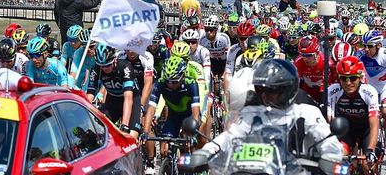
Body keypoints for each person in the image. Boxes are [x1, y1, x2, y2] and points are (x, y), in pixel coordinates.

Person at [192, 59, 342, 168]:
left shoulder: (306, 112)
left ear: (286, 89)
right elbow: (229, 137)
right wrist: (205, 152)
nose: (265, 96)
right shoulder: (253, 114)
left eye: (271, 91)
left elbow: (327, 140)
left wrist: (331, 158)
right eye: (261, 91)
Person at [143, 56, 200, 174]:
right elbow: (151, 108)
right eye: (168, 80)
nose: (170, 85)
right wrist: (145, 132)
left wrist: (192, 134)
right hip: (173, 117)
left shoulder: (191, 84)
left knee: (187, 142)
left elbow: (195, 114)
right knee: (164, 148)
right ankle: (169, 166)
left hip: (188, 118)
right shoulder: (160, 83)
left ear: (183, 76)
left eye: (174, 81)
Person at [328, 56, 379, 168]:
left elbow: (374, 124)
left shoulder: (369, 91)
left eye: (352, 78)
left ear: (360, 78)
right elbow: (329, 119)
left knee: (368, 165)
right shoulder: (333, 90)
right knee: (339, 159)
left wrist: (370, 149)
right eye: (344, 78)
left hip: (366, 130)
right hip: (345, 131)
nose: (348, 83)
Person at [87, 43, 141, 138]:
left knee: (131, 135)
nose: (104, 69)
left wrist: (124, 126)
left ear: (114, 59)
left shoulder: (125, 67)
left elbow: (128, 99)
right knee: (97, 129)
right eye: (102, 66)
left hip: (131, 100)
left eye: (108, 65)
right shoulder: (96, 69)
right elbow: (90, 95)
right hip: (112, 99)